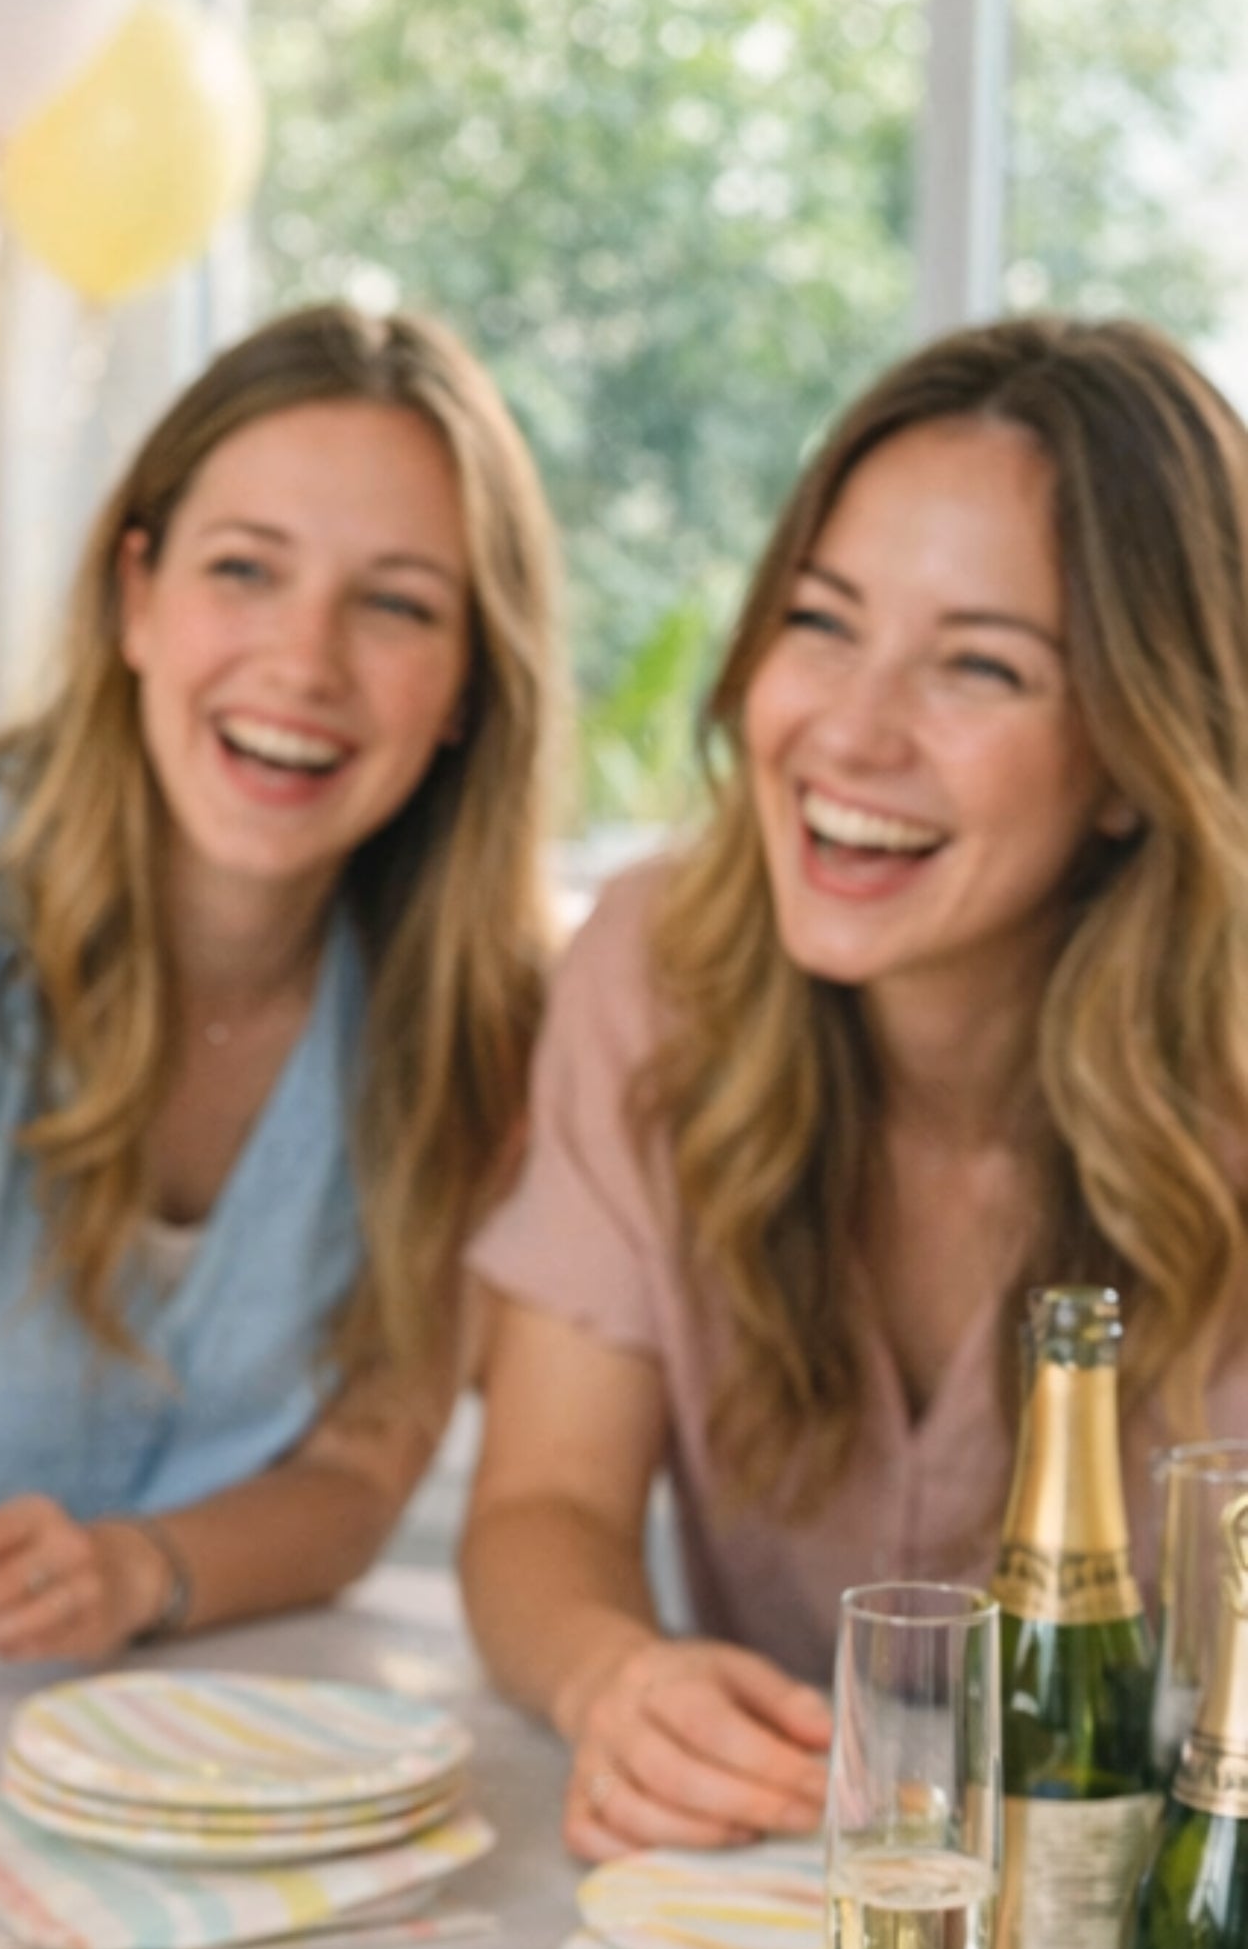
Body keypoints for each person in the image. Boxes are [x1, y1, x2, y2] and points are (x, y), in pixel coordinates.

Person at [0, 304, 567, 1659]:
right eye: (246, 570)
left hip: (192, 1717)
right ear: (138, 596)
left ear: (470, 690)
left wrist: (146, 1569)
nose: (304, 662)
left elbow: (364, 1471)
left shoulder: (488, 1013)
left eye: (394, 605)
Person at [461, 313, 1248, 1860]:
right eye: (822, 625)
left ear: (1133, 758)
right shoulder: (654, 974)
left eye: (980, 665)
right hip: (780, 1945)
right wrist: (618, 1681)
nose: (853, 733)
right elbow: (540, 1506)